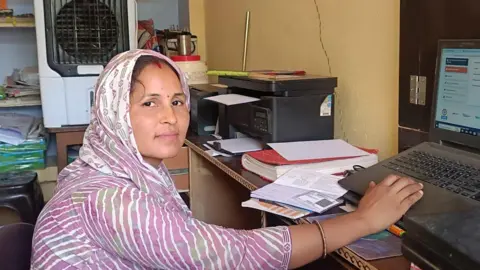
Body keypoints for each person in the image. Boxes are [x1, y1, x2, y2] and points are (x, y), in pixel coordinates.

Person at [31, 49, 424, 270]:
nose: (171, 116)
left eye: (178, 101)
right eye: (149, 103)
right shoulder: (107, 199)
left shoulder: (109, 166)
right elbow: (233, 255)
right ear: (114, 113)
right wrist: (362, 221)